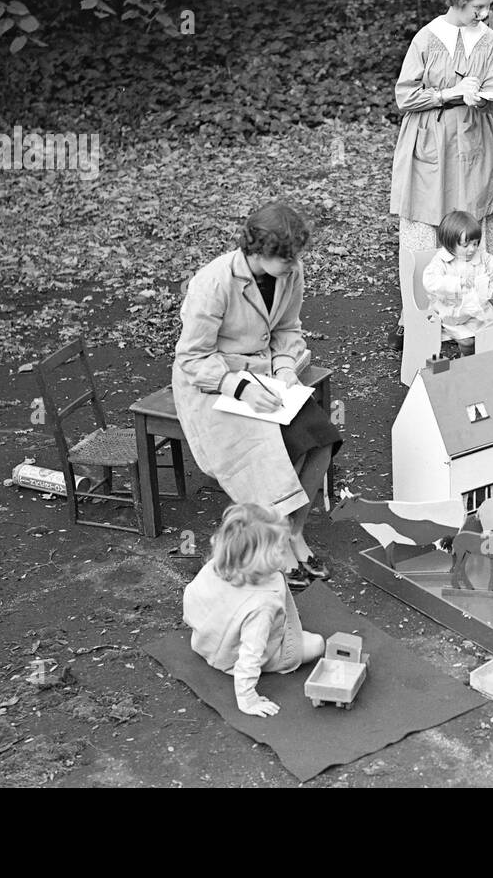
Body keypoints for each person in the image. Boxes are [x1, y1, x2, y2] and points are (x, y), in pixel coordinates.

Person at [173, 200, 343, 591]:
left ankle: (294, 532)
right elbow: (192, 356)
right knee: (262, 452)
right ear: (257, 250)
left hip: (267, 375)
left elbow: (288, 329)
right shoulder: (213, 282)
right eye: (285, 257)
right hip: (214, 385)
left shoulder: (290, 272)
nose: (294, 264)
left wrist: (285, 370)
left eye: (295, 255)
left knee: (321, 437)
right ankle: (276, 543)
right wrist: (240, 387)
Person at [390, 0, 493, 347]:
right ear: (457, 0)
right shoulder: (427, 37)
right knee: (426, 227)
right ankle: (417, 317)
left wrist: (484, 97)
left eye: (487, 6)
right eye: (477, 6)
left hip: (474, 142)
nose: (483, 14)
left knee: (471, 220)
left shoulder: (489, 40)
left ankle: (472, 315)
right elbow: (405, 96)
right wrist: (449, 94)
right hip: (430, 141)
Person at [183, 503, 327, 718]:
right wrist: (247, 698)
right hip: (234, 658)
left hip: (204, 643)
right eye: (280, 548)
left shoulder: (218, 564)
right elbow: (251, 655)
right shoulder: (262, 604)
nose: (284, 551)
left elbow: (191, 604)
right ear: (263, 559)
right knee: (316, 644)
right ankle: (278, 651)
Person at [422, 209, 493, 354]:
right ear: (450, 243)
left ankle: (491, 357)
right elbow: (430, 281)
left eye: (475, 244)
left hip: (478, 309)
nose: (472, 249)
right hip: (452, 313)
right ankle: (468, 359)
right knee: (468, 341)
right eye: (465, 245)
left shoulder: (480, 256)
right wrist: (458, 283)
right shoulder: (441, 261)